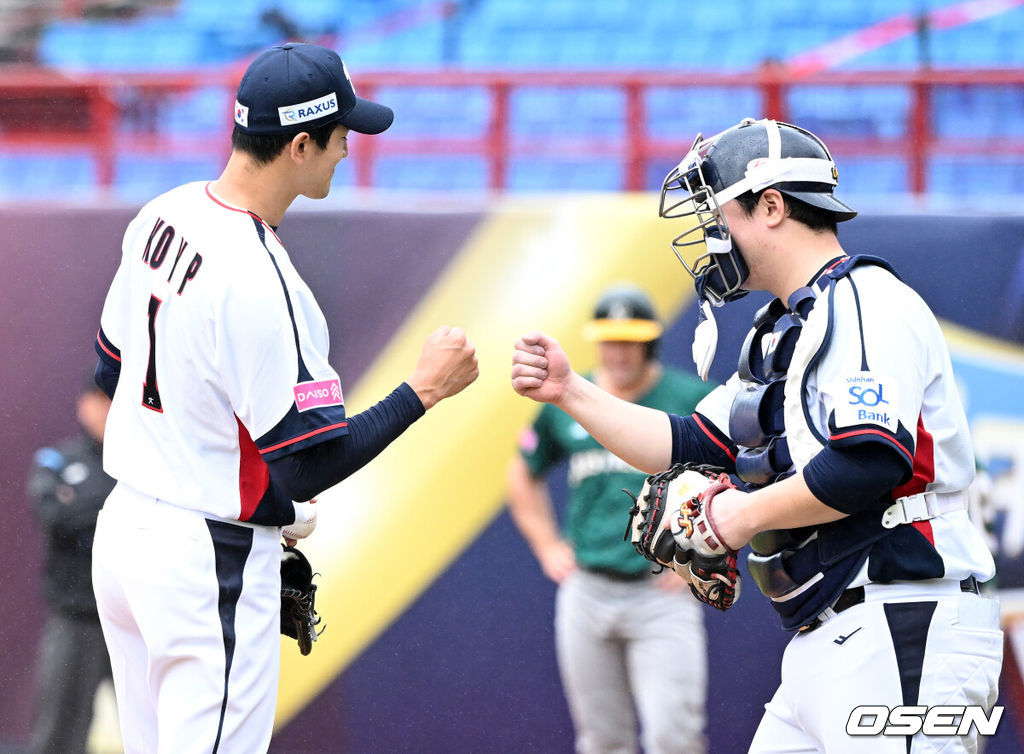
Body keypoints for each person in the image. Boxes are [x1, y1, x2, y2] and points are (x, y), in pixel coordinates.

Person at [511, 118, 1003, 752]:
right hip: (831, 633)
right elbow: (688, 441)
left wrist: (735, 517)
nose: (712, 238)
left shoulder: (864, 299)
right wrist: (571, 391)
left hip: (905, 620)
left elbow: (866, 464)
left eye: (718, 216)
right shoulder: (782, 328)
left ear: (771, 206)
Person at [91, 42, 478, 753]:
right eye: (340, 137)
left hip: (123, 535)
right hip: (204, 557)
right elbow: (307, 463)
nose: (346, 151)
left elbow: (110, 370)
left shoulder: (163, 212)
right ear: (299, 144)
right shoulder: (260, 276)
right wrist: (422, 391)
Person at [506, 284, 714, 754]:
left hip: (659, 591)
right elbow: (522, 474)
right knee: (602, 741)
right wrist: (545, 544)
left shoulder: (690, 398)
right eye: (609, 339)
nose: (618, 352)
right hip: (587, 590)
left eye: (630, 339)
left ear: (649, 342)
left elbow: (738, 478)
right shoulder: (570, 398)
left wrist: (702, 554)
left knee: (674, 736)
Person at [28, 378, 116, 754]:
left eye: (112, 400)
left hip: (139, 620)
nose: (105, 410)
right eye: (98, 400)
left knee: (165, 732)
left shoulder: (147, 465)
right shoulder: (58, 460)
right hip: (76, 619)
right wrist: (115, 507)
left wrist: (83, 504)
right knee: (60, 737)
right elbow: (56, 518)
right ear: (83, 404)